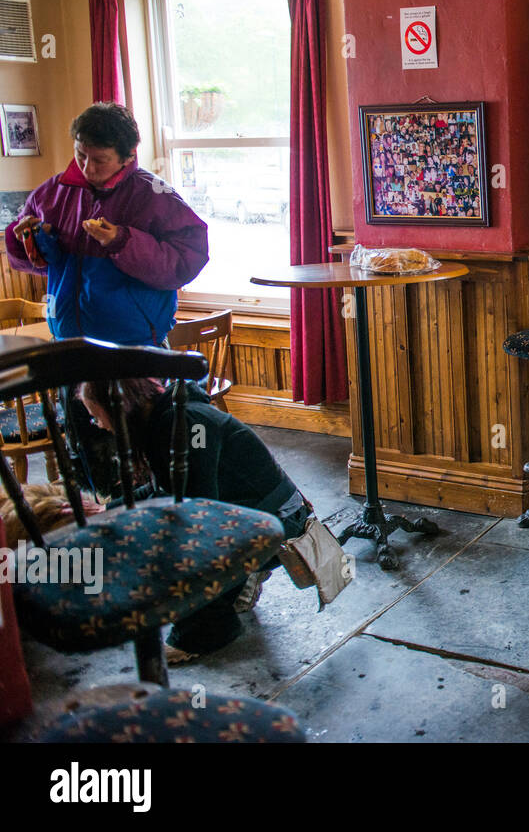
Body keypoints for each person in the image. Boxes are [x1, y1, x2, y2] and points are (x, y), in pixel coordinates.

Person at [77, 378, 313, 664]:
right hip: (267, 512)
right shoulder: (166, 418)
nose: (98, 425)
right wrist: (107, 510)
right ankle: (237, 582)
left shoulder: (185, 423)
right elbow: (164, 490)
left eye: (96, 416)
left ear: (121, 408)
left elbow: (198, 511)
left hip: (281, 523)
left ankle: (204, 631)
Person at [4, 102, 208, 346]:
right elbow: (35, 264)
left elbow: (186, 264)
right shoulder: (51, 192)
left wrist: (122, 242)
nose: (87, 168)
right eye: (80, 155)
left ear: (128, 155)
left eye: (100, 160)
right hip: (67, 340)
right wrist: (27, 238)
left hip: (135, 346)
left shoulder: (155, 194)